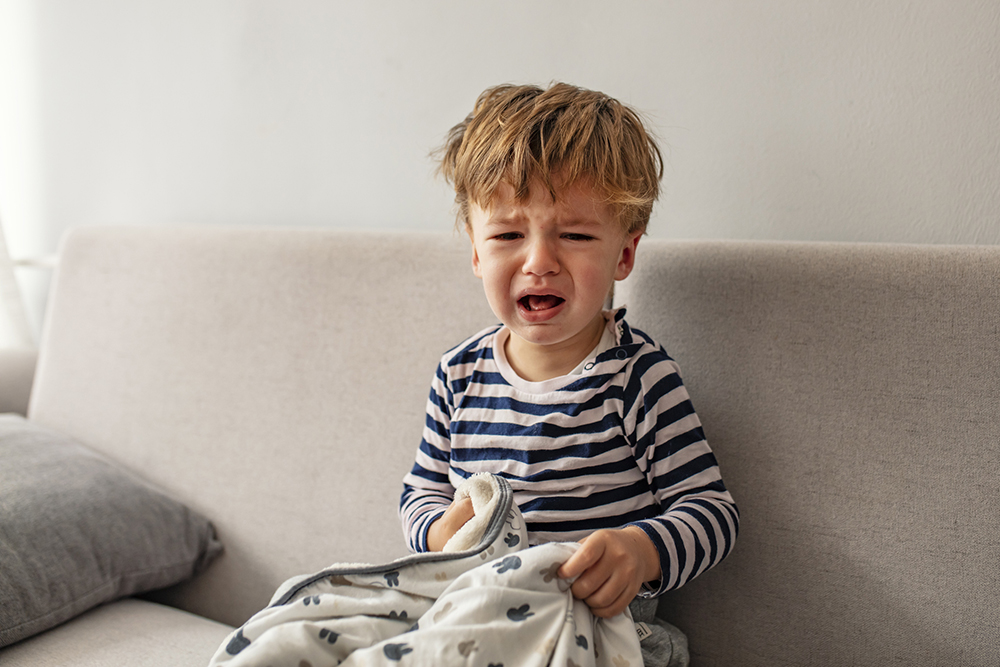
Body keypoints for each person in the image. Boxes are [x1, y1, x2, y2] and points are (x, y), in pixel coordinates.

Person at [400, 82, 738, 623]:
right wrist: (438, 530)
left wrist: (640, 550)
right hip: (471, 618)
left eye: (575, 236)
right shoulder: (458, 375)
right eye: (508, 235)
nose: (539, 261)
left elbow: (712, 513)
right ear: (474, 250)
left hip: (590, 631)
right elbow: (420, 492)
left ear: (624, 253)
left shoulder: (637, 378)